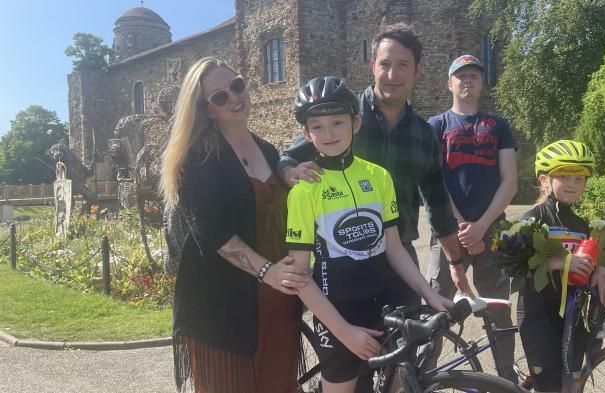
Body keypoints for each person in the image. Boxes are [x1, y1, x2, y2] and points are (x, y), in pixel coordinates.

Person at [283, 76, 454, 393]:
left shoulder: (378, 176)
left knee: (398, 382)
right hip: (339, 310)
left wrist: (429, 294)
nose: (329, 133)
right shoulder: (304, 191)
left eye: (337, 122)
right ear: (305, 134)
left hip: (389, 300)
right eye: (317, 126)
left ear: (356, 122)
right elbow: (299, 275)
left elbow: (394, 248)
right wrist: (344, 331)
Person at [277, 23, 471, 294]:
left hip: (398, 253)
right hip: (341, 257)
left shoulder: (425, 135)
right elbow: (287, 160)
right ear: (372, 65)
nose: (392, 74)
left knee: (416, 334)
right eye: (385, 64)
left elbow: (437, 203)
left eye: (403, 64)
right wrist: (290, 173)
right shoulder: (339, 115)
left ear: (419, 68)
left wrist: (455, 261)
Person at [160, 56, 309, 393]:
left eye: (237, 85)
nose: (234, 97)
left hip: (278, 300)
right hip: (222, 308)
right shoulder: (198, 157)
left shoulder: (269, 150)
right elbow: (212, 232)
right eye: (220, 96)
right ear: (207, 109)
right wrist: (267, 271)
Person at [426, 54, 519, 380]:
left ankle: (506, 378)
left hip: (492, 232)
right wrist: (462, 225)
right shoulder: (436, 126)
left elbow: (510, 180)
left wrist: (481, 227)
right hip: (447, 233)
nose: (467, 81)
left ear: (481, 83)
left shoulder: (498, 126)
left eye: (473, 76)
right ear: (449, 83)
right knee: (436, 306)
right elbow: (433, 182)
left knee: (498, 308)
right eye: (460, 76)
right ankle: (424, 377)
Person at [517, 140, 605, 393]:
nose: (572, 184)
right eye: (564, 176)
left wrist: (601, 269)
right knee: (548, 386)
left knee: (571, 382)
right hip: (539, 313)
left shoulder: (581, 224)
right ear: (544, 179)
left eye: (579, 179)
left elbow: (588, 258)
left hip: (573, 315)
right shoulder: (532, 219)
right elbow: (515, 266)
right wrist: (560, 262)